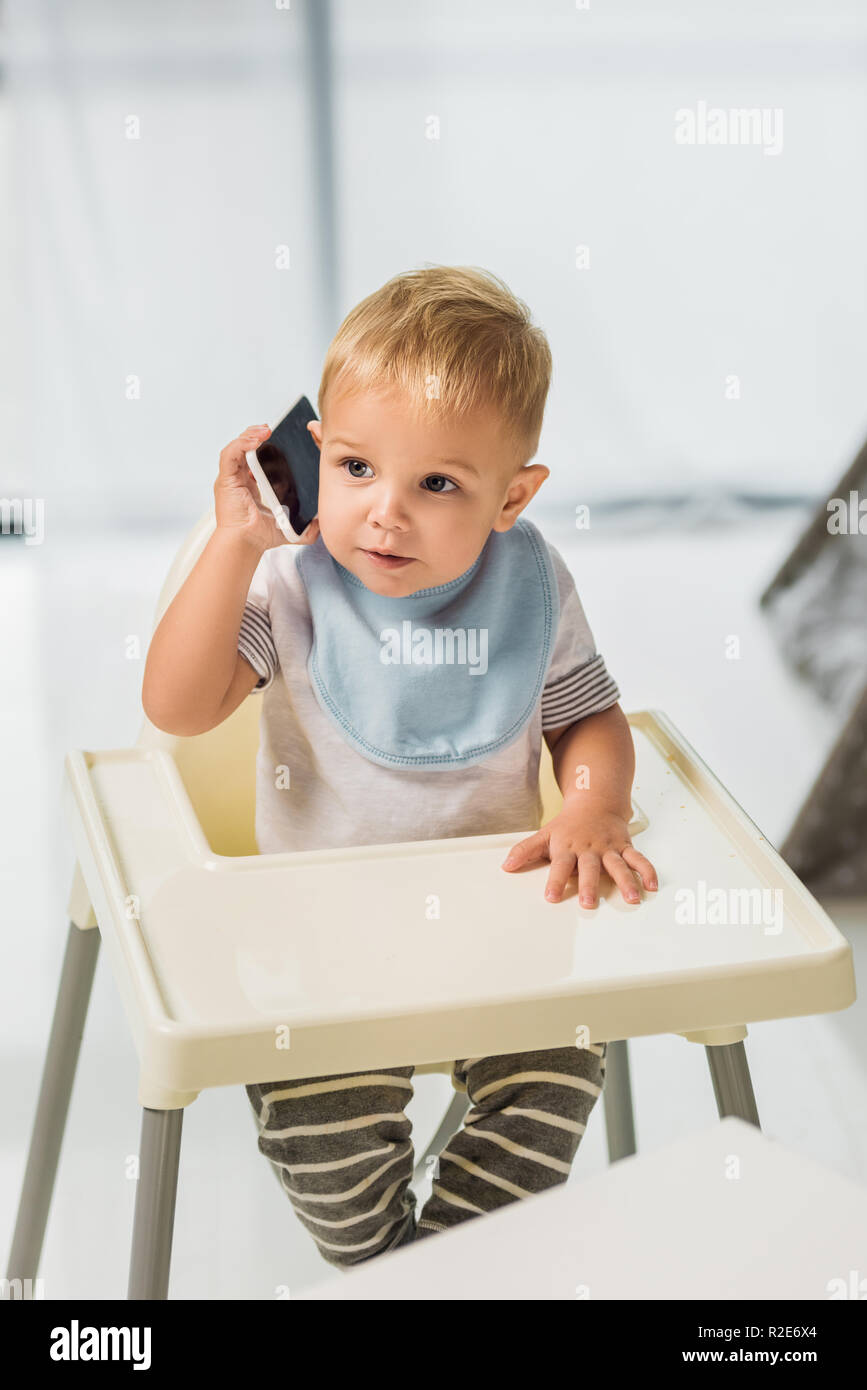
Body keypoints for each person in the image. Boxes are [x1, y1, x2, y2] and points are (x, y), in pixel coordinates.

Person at [142, 264, 658, 1269]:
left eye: (438, 484)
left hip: (500, 934)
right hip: (321, 950)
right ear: (315, 455)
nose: (385, 513)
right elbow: (176, 705)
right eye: (357, 468)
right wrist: (233, 544)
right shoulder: (295, 580)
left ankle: (446, 1271)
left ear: (513, 496)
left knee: (561, 1068)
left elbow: (586, 714)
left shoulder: (533, 580)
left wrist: (596, 801)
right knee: (327, 1155)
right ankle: (391, 1270)